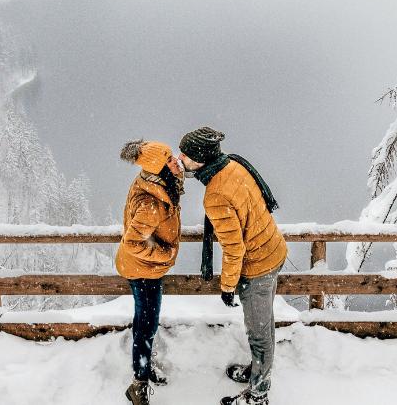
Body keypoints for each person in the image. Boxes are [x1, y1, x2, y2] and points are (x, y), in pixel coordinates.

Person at [178, 127, 287, 405]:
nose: (181, 159)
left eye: (186, 155)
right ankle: (257, 372)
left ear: (200, 160)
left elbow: (234, 247)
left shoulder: (216, 193)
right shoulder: (234, 164)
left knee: (259, 332)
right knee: (265, 324)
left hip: (257, 266)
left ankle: (258, 393)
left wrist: (227, 286)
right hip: (273, 249)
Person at [117, 140, 184, 405]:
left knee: (145, 322)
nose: (175, 161)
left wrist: (176, 173)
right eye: (169, 159)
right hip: (143, 271)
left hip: (143, 267)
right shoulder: (151, 204)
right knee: (147, 325)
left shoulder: (153, 183)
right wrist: (164, 255)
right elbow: (132, 242)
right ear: (158, 168)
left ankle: (144, 368)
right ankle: (138, 384)